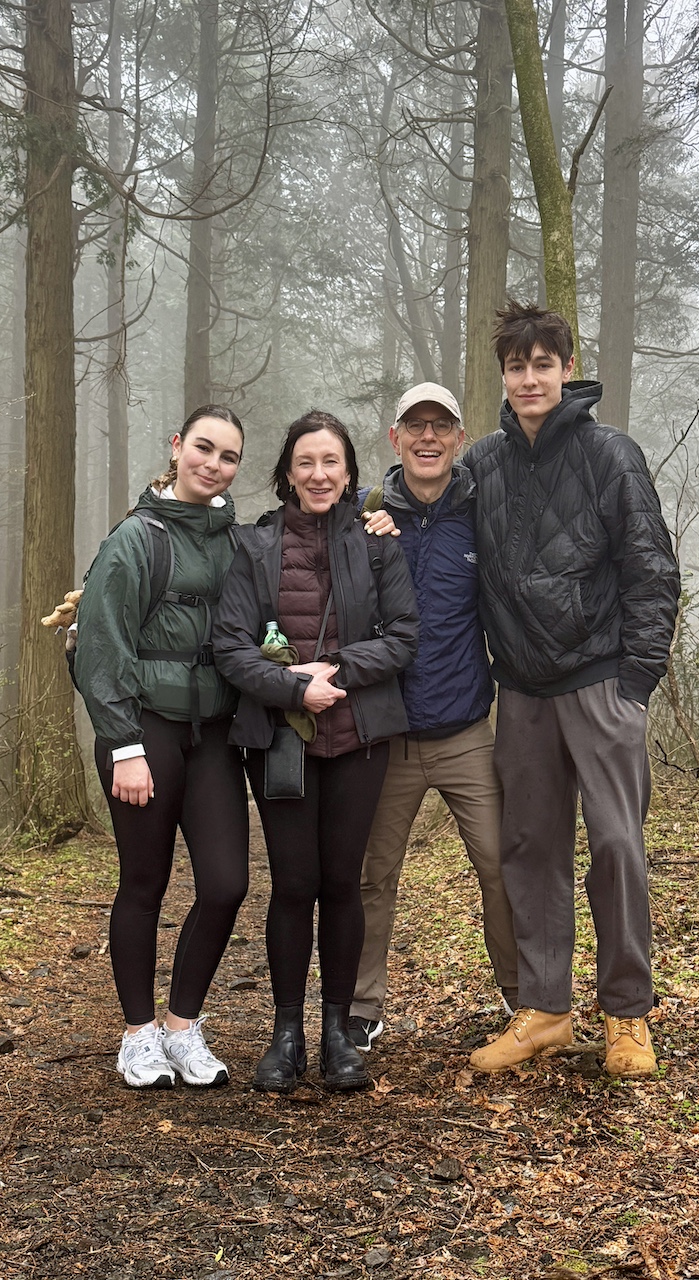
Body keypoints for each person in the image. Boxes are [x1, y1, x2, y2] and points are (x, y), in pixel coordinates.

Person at [462, 302, 680, 1078]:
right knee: (530, 851)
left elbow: (652, 570)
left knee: (616, 846)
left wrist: (636, 682)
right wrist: (382, 507)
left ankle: (628, 1014)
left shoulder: (609, 454)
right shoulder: (482, 464)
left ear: (566, 368)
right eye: (516, 366)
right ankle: (546, 1010)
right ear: (503, 375)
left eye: (542, 364)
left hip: (600, 682)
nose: (529, 379)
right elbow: (429, 509)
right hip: (521, 691)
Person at [212, 411, 418, 1093]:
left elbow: (403, 636)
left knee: (342, 883)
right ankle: (286, 1033)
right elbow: (231, 647)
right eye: (306, 462)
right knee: (294, 884)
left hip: (360, 737)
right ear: (288, 472)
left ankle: (337, 1034)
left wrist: (337, 671)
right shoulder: (253, 546)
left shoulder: (378, 544)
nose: (319, 474)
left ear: (350, 472)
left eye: (331, 462)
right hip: (280, 739)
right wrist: (294, 688)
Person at [74, 405, 249, 1089]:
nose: (213, 464)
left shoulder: (236, 542)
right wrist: (123, 746)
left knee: (227, 883)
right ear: (177, 447)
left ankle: (182, 1027)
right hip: (144, 729)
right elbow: (101, 646)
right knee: (144, 882)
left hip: (214, 736)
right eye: (203, 447)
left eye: (228, 456)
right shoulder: (135, 539)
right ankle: (138, 1035)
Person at [347, 382, 518, 1052]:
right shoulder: (364, 514)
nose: (427, 437)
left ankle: (522, 998)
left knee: (500, 866)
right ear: (395, 438)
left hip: (466, 732)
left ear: (458, 438)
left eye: (440, 426)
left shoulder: (482, 513)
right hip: (387, 736)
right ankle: (361, 1007)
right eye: (414, 426)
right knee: (373, 876)